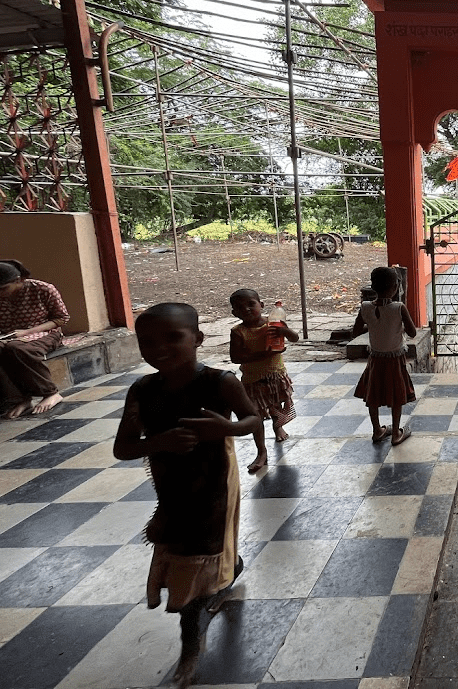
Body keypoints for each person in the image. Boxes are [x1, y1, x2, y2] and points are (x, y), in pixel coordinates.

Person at [113, 302, 261, 689]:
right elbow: (123, 448)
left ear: (197, 338)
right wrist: (158, 442)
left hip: (212, 486)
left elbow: (252, 418)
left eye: (173, 338)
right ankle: (232, 567)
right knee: (190, 550)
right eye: (147, 342)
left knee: (194, 560)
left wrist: (225, 430)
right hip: (172, 488)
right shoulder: (143, 389)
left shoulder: (219, 382)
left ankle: (190, 649)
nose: (159, 348)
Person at [228, 288, 299, 473]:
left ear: (262, 305)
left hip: (276, 376)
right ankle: (261, 451)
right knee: (256, 416)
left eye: (251, 304)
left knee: (276, 406)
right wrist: (263, 355)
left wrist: (284, 330)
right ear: (234, 313)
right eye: (240, 308)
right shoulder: (238, 332)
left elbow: (295, 338)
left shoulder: (273, 324)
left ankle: (278, 428)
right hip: (253, 381)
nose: (247, 309)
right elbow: (236, 357)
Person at [352, 266, 416, 445]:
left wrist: (373, 326)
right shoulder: (398, 308)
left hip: (375, 359)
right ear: (396, 287)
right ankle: (396, 432)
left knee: (373, 393)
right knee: (397, 395)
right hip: (395, 359)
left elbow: (356, 331)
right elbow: (412, 333)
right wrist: (398, 327)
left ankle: (377, 430)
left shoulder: (365, 307)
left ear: (373, 287)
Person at [0, 259, 70, 419]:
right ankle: (20, 399)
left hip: (46, 333)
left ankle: (51, 392)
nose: (1, 294)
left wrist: (28, 332)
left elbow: (61, 318)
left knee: (17, 348)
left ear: (18, 280)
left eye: (4, 288)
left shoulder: (42, 289)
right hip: (9, 336)